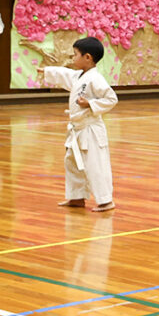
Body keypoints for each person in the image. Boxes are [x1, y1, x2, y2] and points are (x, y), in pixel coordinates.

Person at [39, 36, 118, 212]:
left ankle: (105, 200)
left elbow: (111, 99)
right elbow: (66, 75)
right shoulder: (80, 76)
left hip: (90, 128)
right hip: (77, 129)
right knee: (72, 162)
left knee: (95, 164)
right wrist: (46, 72)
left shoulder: (96, 79)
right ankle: (76, 197)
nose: (73, 58)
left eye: (75, 54)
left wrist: (90, 103)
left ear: (87, 57)